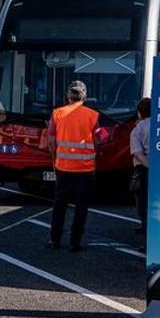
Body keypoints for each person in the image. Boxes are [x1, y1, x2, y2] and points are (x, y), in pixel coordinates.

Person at [46, 80, 103, 252]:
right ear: (84, 96)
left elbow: (50, 142)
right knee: (81, 206)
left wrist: (54, 160)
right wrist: (96, 158)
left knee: (59, 204)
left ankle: (54, 240)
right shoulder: (93, 116)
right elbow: (99, 140)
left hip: (63, 167)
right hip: (85, 168)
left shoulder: (57, 114)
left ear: (68, 95)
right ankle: (75, 242)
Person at [129, 97, 151, 234]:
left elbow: (137, 153)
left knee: (142, 201)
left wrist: (150, 167)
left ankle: (144, 226)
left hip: (144, 168)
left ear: (139, 113)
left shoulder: (137, 129)